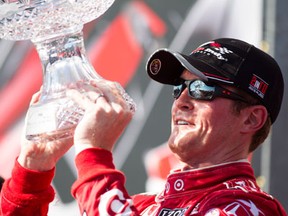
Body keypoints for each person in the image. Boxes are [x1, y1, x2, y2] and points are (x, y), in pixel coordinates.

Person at [0, 38, 287, 215]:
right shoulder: (143, 207)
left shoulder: (247, 208)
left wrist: (93, 154)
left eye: (202, 88)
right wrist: (33, 169)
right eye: (180, 87)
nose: (182, 100)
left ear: (252, 119)